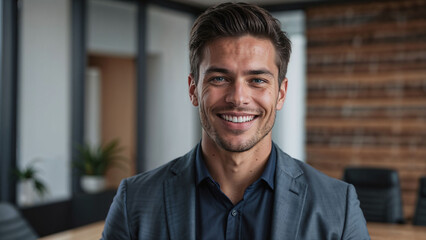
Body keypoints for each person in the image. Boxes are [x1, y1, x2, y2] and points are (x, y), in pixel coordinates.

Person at [101, 2, 370, 240]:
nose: (238, 98)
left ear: (281, 93)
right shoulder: (134, 201)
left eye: (257, 81)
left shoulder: (338, 206)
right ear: (194, 90)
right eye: (219, 78)